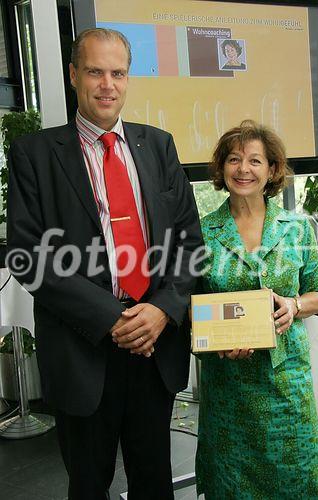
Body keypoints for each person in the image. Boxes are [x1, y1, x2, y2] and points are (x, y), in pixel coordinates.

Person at [6, 28, 203, 500]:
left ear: (128, 79)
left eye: (117, 73)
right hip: (82, 349)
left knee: (155, 483)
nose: (107, 84)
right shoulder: (35, 154)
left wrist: (162, 310)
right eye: (95, 71)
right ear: (74, 76)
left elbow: (187, 242)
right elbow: (30, 255)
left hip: (155, 348)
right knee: (89, 484)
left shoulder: (159, 146)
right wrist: (113, 318)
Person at [195, 120, 318, 499]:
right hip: (229, 388)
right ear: (221, 168)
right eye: (234, 159)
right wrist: (211, 342)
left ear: (272, 169)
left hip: (287, 385)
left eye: (255, 161)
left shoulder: (298, 227)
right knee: (233, 485)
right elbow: (190, 308)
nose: (244, 169)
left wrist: (294, 304)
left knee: (300, 481)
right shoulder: (201, 232)